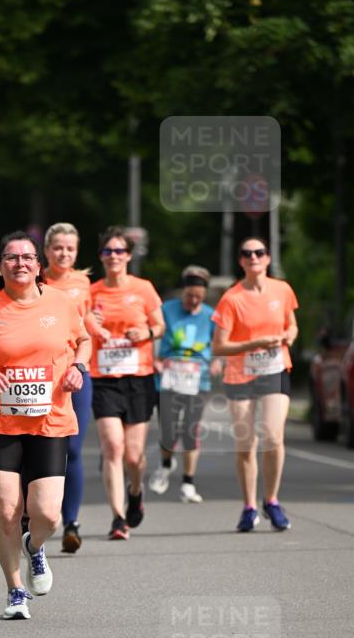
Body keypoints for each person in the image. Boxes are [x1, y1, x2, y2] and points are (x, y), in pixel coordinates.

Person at [0, 231, 91, 619]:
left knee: (47, 514)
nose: (21, 263)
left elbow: (84, 340)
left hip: (51, 419)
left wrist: (78, 366)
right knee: (8, 508)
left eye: (28, 257)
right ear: (0, 266)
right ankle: (15, 590)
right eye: (12, 258)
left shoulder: (60, 304)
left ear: (39, 266)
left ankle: (36, 545)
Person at [213, 237, 298, 532]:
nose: (253, 257)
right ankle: (249, 506)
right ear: (241, 260)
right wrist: (256, 343)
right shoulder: (232, 298)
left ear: (268, 258)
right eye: (247, 253)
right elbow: (219, 347)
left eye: (259, 252)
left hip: (275, 369)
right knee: (246, 444)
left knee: (273, 436)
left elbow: (292, 324)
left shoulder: (282, 289)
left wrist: (289, 336)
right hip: (240, 375)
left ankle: (271, 500)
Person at [86, 226, 165, 539]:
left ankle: (136, 491)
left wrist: (145, 333)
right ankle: (118, 518)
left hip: (139, 378)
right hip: (104, 379)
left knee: (134, 456)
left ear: (129, 255)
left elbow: (160, 326)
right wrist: (94, 327)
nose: (114, 256)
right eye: (108, 251)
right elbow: (79, 325)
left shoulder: (143, 288)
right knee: (112, 447)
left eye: (120, 251)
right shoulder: (91, 293)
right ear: (101, 256)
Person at [149, 265, 222, 502]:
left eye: (198, 297)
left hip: (197, 380)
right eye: (189, 295)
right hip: (169, 378)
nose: (192, 301)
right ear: (183, 292)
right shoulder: (166, 310)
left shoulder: (211, 316)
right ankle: (166, 461)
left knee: (191, 431)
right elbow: (154, 336)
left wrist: (217, 362)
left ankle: (188, 483)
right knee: (169, 431)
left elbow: (220, 344)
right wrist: (155, 360)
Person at [43, 222, 93, 552]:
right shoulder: (35, 280)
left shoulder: (84, 282)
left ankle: (71, 522)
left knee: (73, 448)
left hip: (76, 373)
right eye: (58, 247)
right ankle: (40, 516)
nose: (64, 253)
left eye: (70, 248)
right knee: (44, 449)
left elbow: (86, 327)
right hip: (40, 375)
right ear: (46, 250)